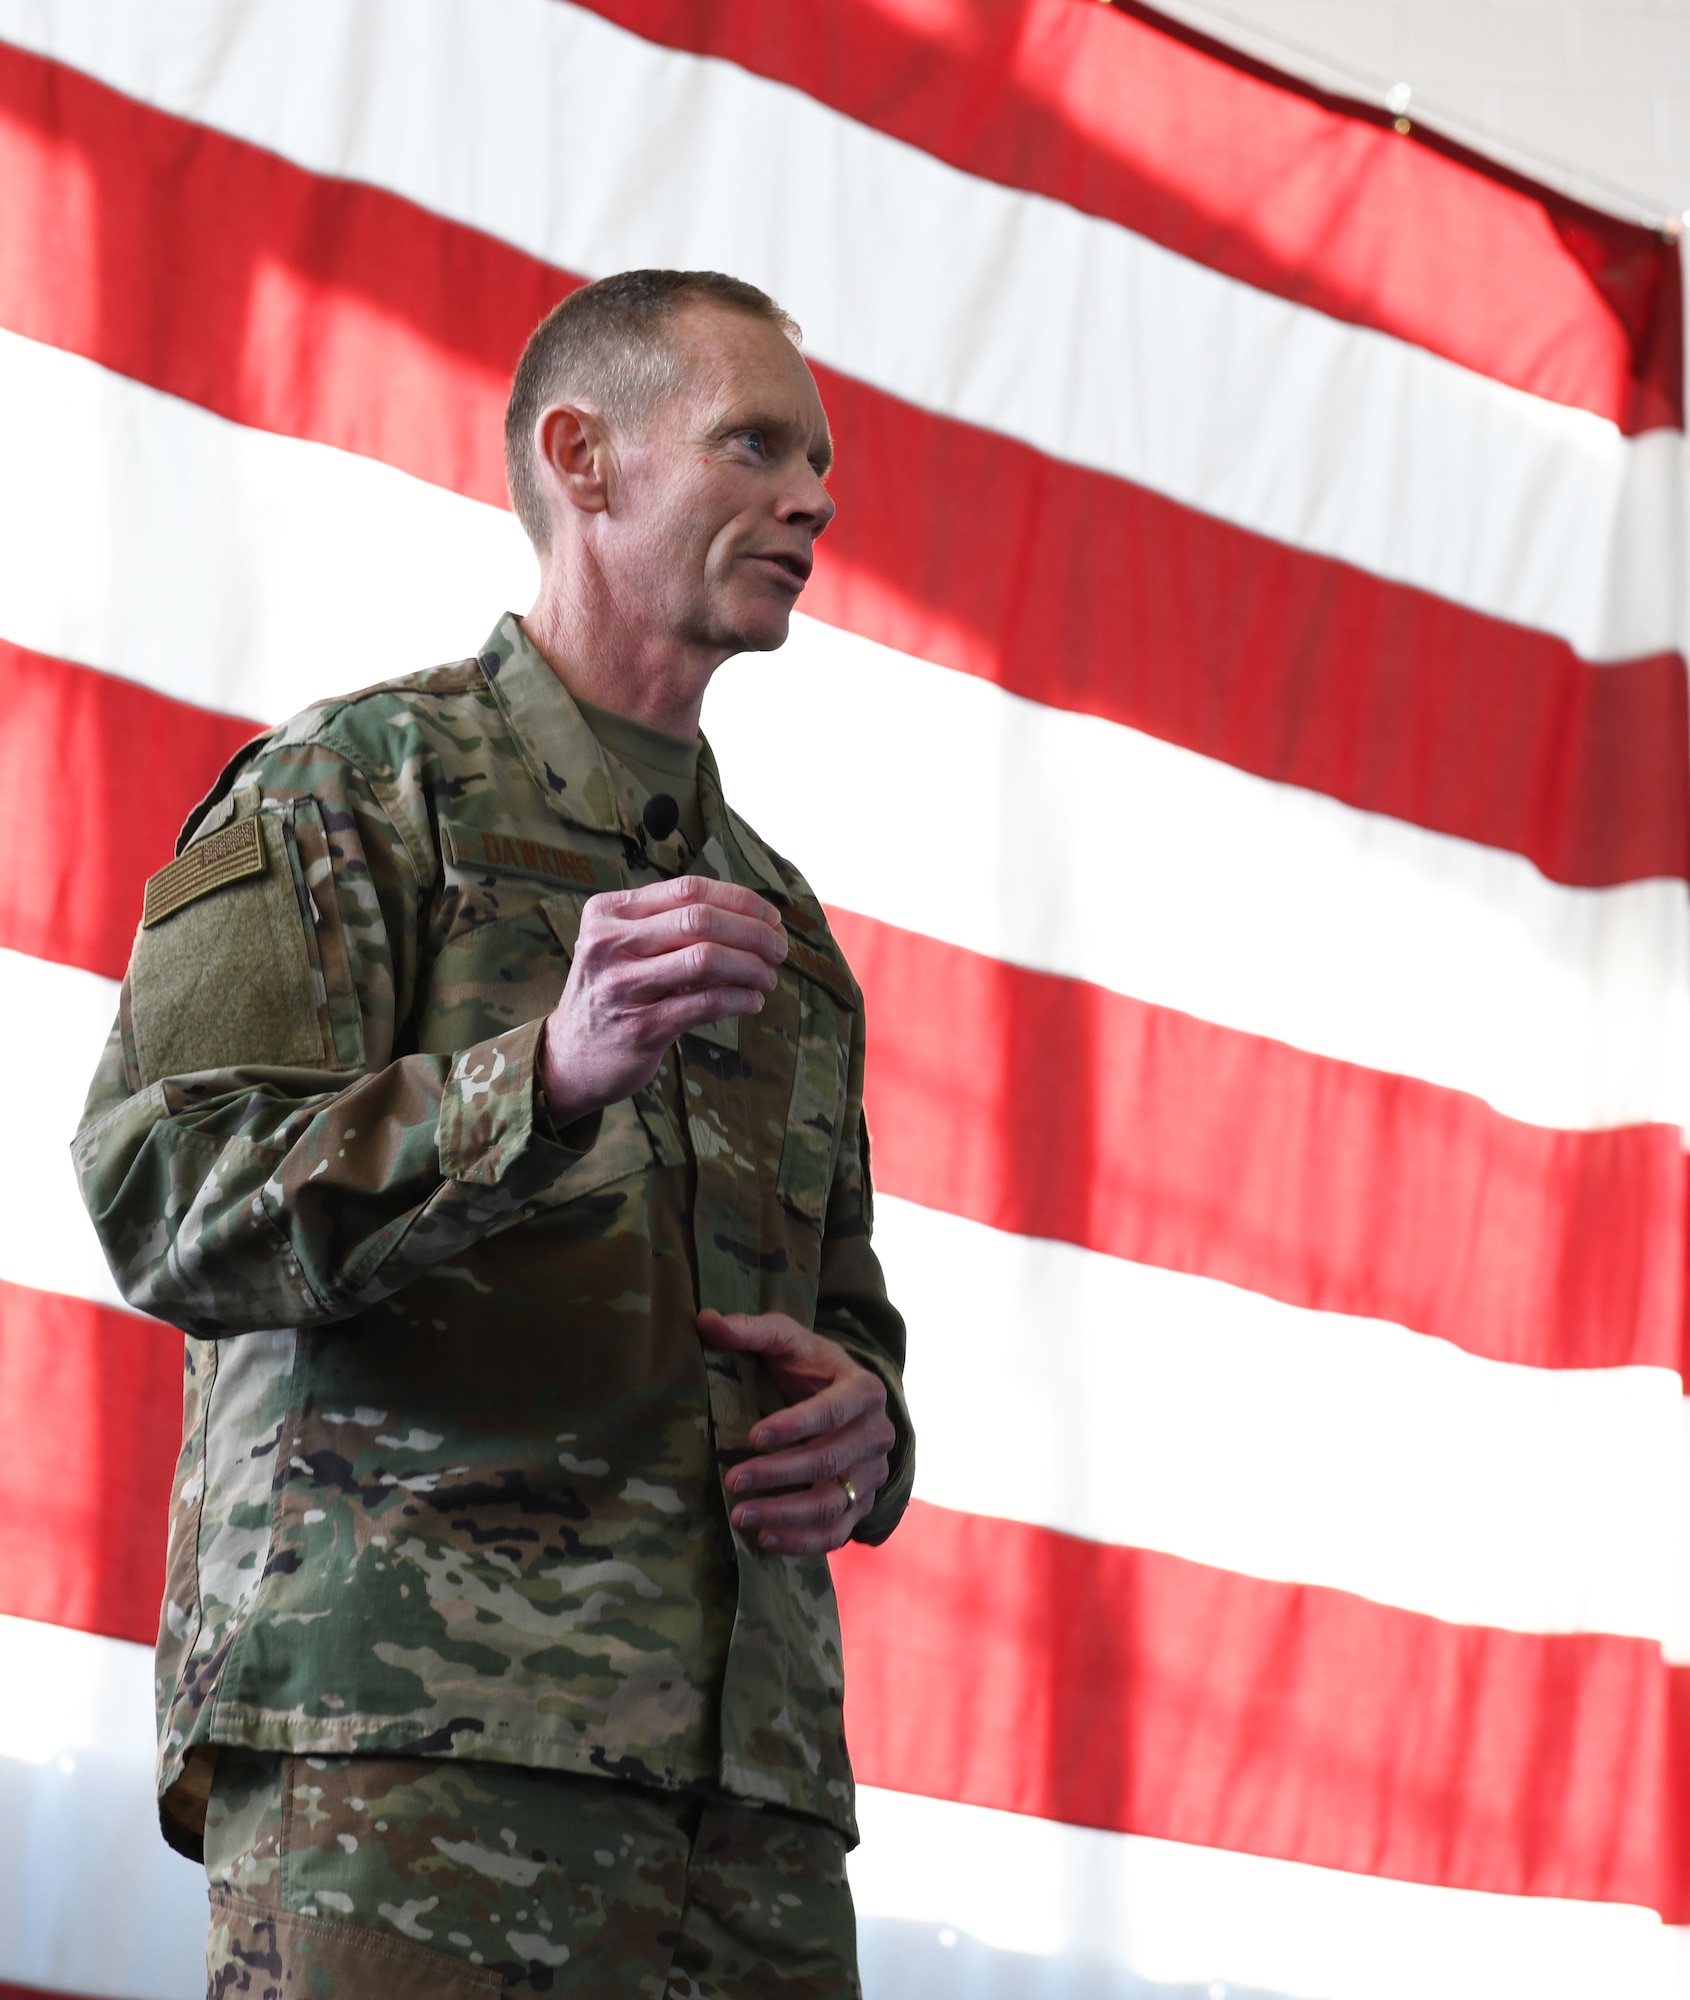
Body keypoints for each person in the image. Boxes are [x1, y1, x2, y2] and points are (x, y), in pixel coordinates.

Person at [73, 269, 912, 1999]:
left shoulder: (786, 933)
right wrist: (538, 1075)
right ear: (580, 458)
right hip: (411, 1758)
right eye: (755, 443)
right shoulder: (348, 791)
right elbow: (163, 1202)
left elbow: (844, 1322)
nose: (813, 498)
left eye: (819, 461)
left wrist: (869, 1431)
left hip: (748, 1817)